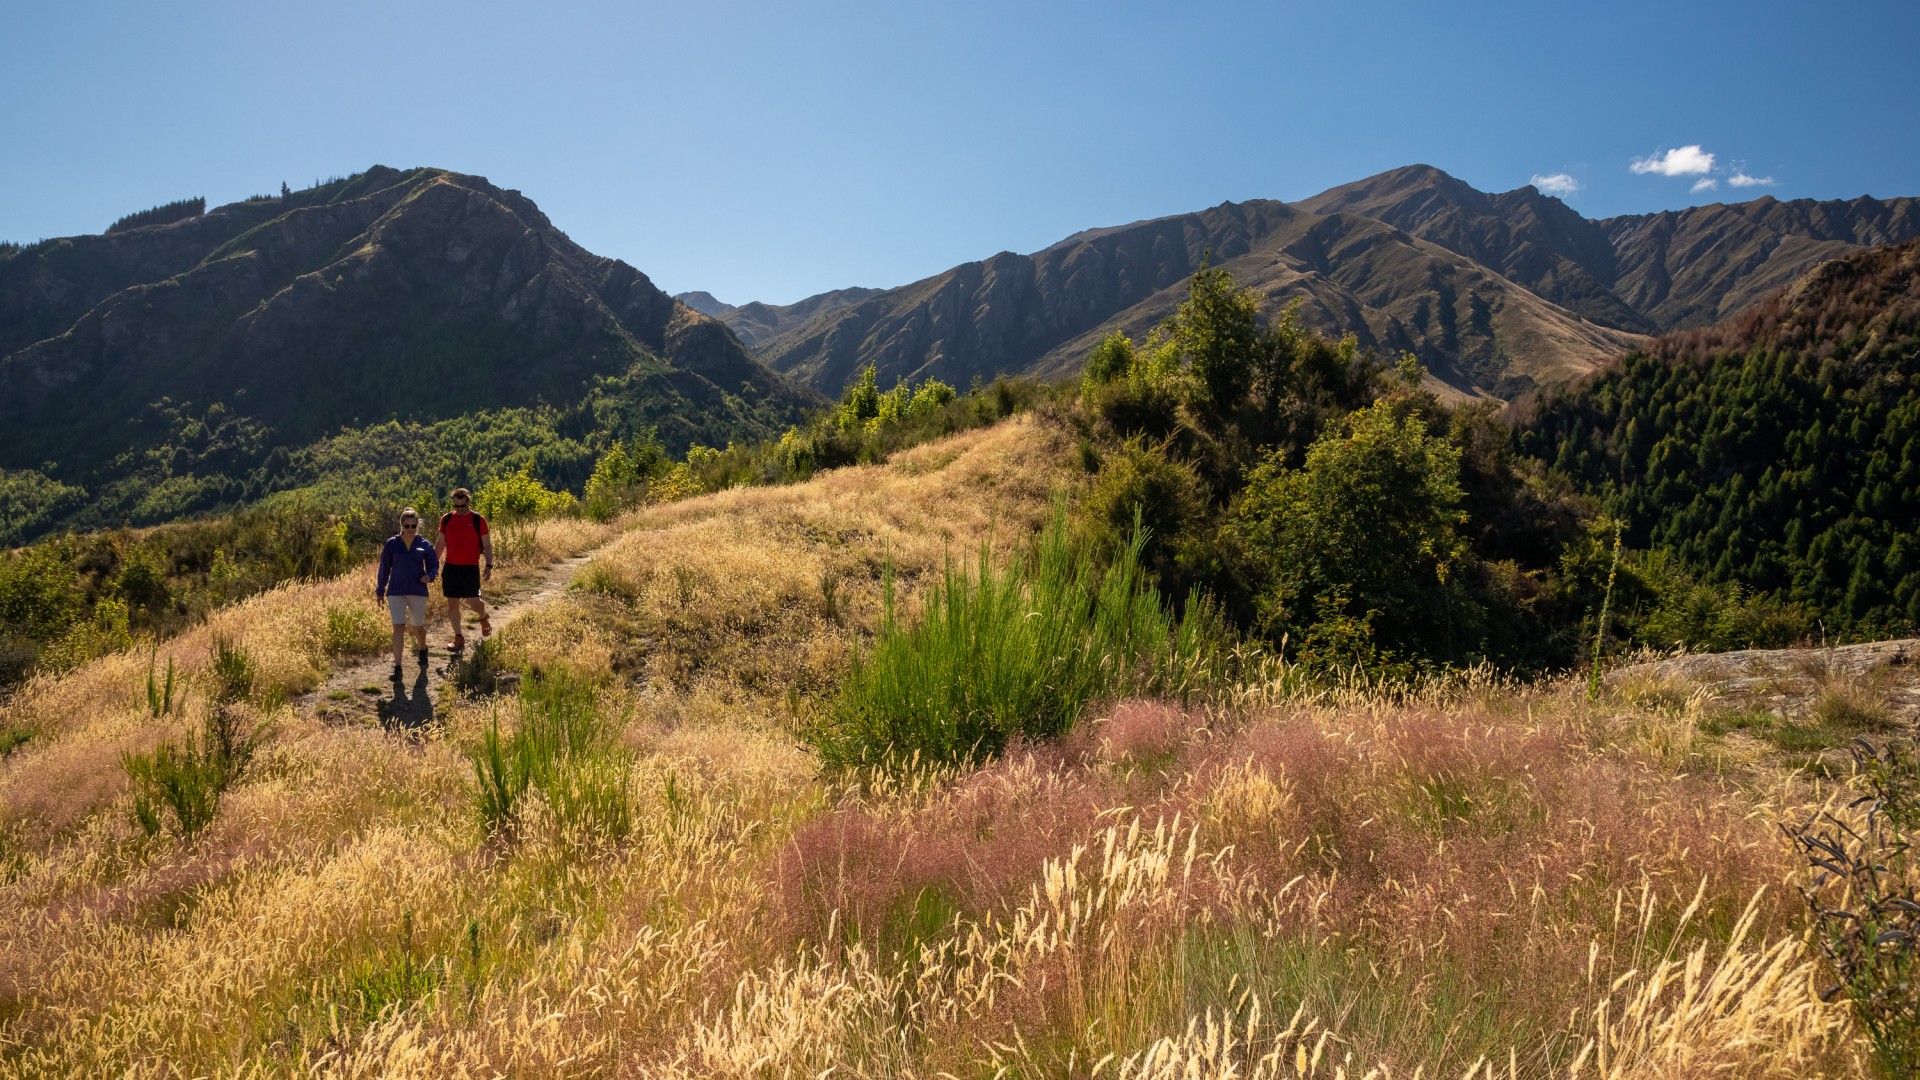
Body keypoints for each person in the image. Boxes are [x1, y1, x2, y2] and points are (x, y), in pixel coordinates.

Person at [375, 508, 438, 676]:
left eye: (413, 526)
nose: (410, 529)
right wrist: (380, 590)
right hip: (396, 590)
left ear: (418, 526)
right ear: (401, 525)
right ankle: (397, 666)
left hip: (417, 590)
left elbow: (434, 565)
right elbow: (384, 568)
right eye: (407, 526)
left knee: (418, 626)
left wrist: (429, 576)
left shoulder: (424, 545)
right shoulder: (392, 544)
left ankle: (423, 649)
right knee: (398, 626)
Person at [435, 487, 493, 651]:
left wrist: (489, 565)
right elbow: (440, 543)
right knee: (452, 603)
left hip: (470, 568)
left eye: (462, 506)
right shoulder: (446, 519)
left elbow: (487, 545)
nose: (459, 510)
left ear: (468, 502)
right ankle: (458, 637)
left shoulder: (478, 519)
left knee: (473, 602)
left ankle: (483, 617)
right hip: (451, 568)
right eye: (456, 506)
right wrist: (433, 564)